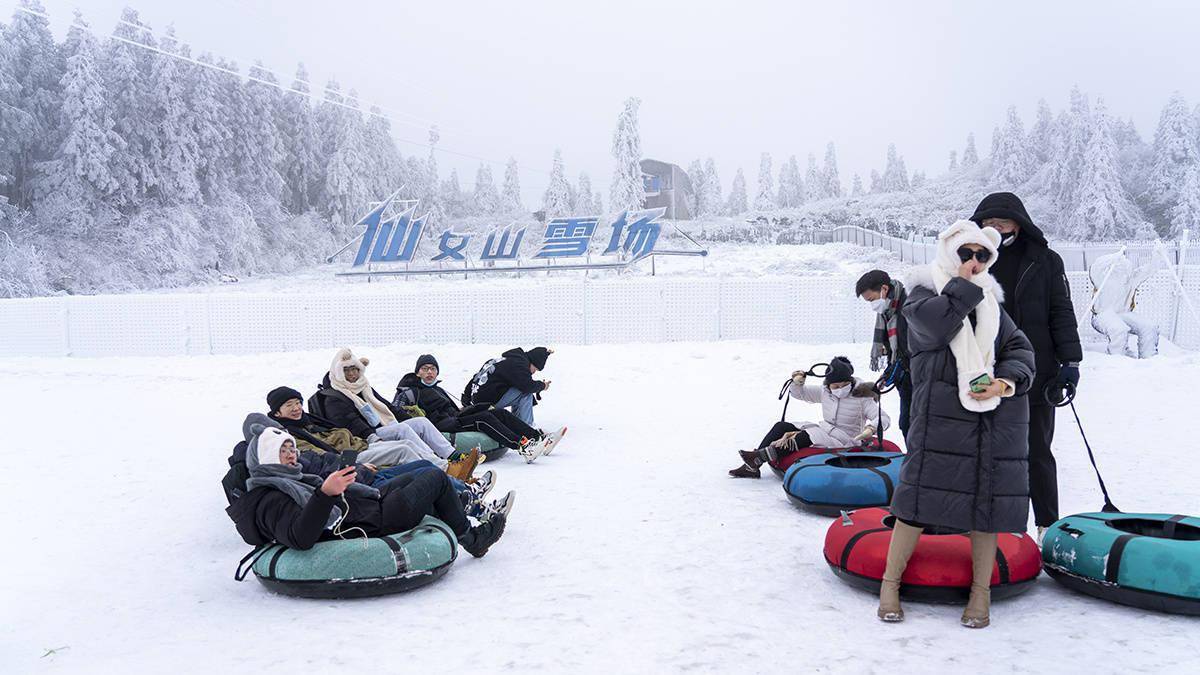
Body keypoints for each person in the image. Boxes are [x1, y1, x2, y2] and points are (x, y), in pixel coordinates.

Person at [879, 220, 1035, 629]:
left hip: (992, 419)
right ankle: (889, 584)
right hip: (941, 418)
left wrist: (1005, 382)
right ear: (950, 251)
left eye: (982, 255)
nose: (973, 262)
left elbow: (1019, 347)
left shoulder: (991, 302)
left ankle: (980, 595)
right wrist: (966, 283)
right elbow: (936, 326)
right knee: (915, 503)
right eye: (965, 253)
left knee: (985, 505)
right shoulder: (920, 293)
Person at [969, 192, 1082, 539]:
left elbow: (1061, 311)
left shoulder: (1045, 261)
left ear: (1019, 223)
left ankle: (1047, 527)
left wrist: (1071, 360)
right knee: (983, 452)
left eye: (1001, 222)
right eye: (988, 223)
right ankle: (988, 529)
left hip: (1037, 371)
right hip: (982, 370)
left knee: (1037, 452)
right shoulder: (974, 261)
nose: (995, 229)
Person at [226, 425, 509, 557]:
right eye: (281, 451)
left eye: (291, 448)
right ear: (265, 459)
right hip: (375, 520)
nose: (291, 455)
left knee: (419, 470)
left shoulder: (292, 478)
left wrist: (343, 485)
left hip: (371, 503)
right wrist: (326, 493)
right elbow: (300, 537)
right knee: (434, 478)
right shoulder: (269, 497)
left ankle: (458, 506)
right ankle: (473, 538)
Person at [312, 349, 480, 480]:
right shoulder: (334, 396)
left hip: (381, 426)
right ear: (339, 372)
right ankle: (443, 466)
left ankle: (454, 456)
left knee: (420, 422)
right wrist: (371, 436)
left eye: (355, 370)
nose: (353, 375)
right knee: (402, 431)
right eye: (347, 371)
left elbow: (387, 406)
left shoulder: (363, 386)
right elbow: (350, 423)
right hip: (365, 435)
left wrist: (408, 420)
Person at [267, 385, 476, 481]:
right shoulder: (288, 434)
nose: (296, 408)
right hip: (348, 456)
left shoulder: (309, 420)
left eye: (297, 403)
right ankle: (447, 476)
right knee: (403, 447)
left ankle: (448, 467)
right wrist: (354, 457)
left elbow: (385, 406)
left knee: (409, 441)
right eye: (289, 405)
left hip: (359, 445)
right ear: (278, 411)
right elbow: (320, 455)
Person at [728, 356, 889, 478]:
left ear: (851, 381)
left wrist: (871, 428)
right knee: (781, 426)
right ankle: (752, 466)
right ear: (829, 384)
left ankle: (757, 458)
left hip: (845, 438)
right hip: (826, 430)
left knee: (804, 436)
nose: (840, 389)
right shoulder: (825, 392)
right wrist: (797, 382)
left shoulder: (862, 397)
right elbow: (800, 393)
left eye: (844, 385)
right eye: (836, 386)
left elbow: (883, 417)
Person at [395, 354, 557, 462]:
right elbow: (395, 412)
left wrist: (478, 407)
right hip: (438, 425)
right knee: (483, 419)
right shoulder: (410, 391)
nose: (429, 372)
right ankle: (523, 447)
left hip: (454, 418)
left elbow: (454, 410)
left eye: (433, 369)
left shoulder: (438, 390)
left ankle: (537, 438)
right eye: (425, 369)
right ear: (417, 373)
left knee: (497, 412)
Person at [856, 270, 913, 439]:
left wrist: (896, 370)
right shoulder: (889, 311)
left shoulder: (909, 306)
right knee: (907, 424)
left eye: (872, 299)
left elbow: (911, 348)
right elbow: (897, 352)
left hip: (920, 376)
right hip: (905, 377)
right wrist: (890, 373)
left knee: (914, 424)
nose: (872, 305)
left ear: (884, 289)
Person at [1088, 250, 1159, 358]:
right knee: (1119, 329)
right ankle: (1118, 359)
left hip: (1123, 313)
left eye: (1124, 265)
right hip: (1102, 315)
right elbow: (1096, 267)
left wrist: (1157, 256)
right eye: (1119, 264)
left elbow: (1149, 270)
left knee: (1149, 327)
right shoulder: (1102, 279)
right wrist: (1114, 257)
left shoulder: (1129, 280)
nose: (1121, 267)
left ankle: (1148, 358)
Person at [462, 347, 553, 428]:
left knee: (519, 392)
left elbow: (475, 378)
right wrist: (543, 386)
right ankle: (528, 429)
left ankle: (517, 426)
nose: (534, 372)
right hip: (487, 401)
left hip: (478, 399)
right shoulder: (519, 364)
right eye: (535, 369)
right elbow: (528, 386)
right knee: (525, 393)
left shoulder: (502, 360)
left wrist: (466, 399)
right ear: (532, 362)